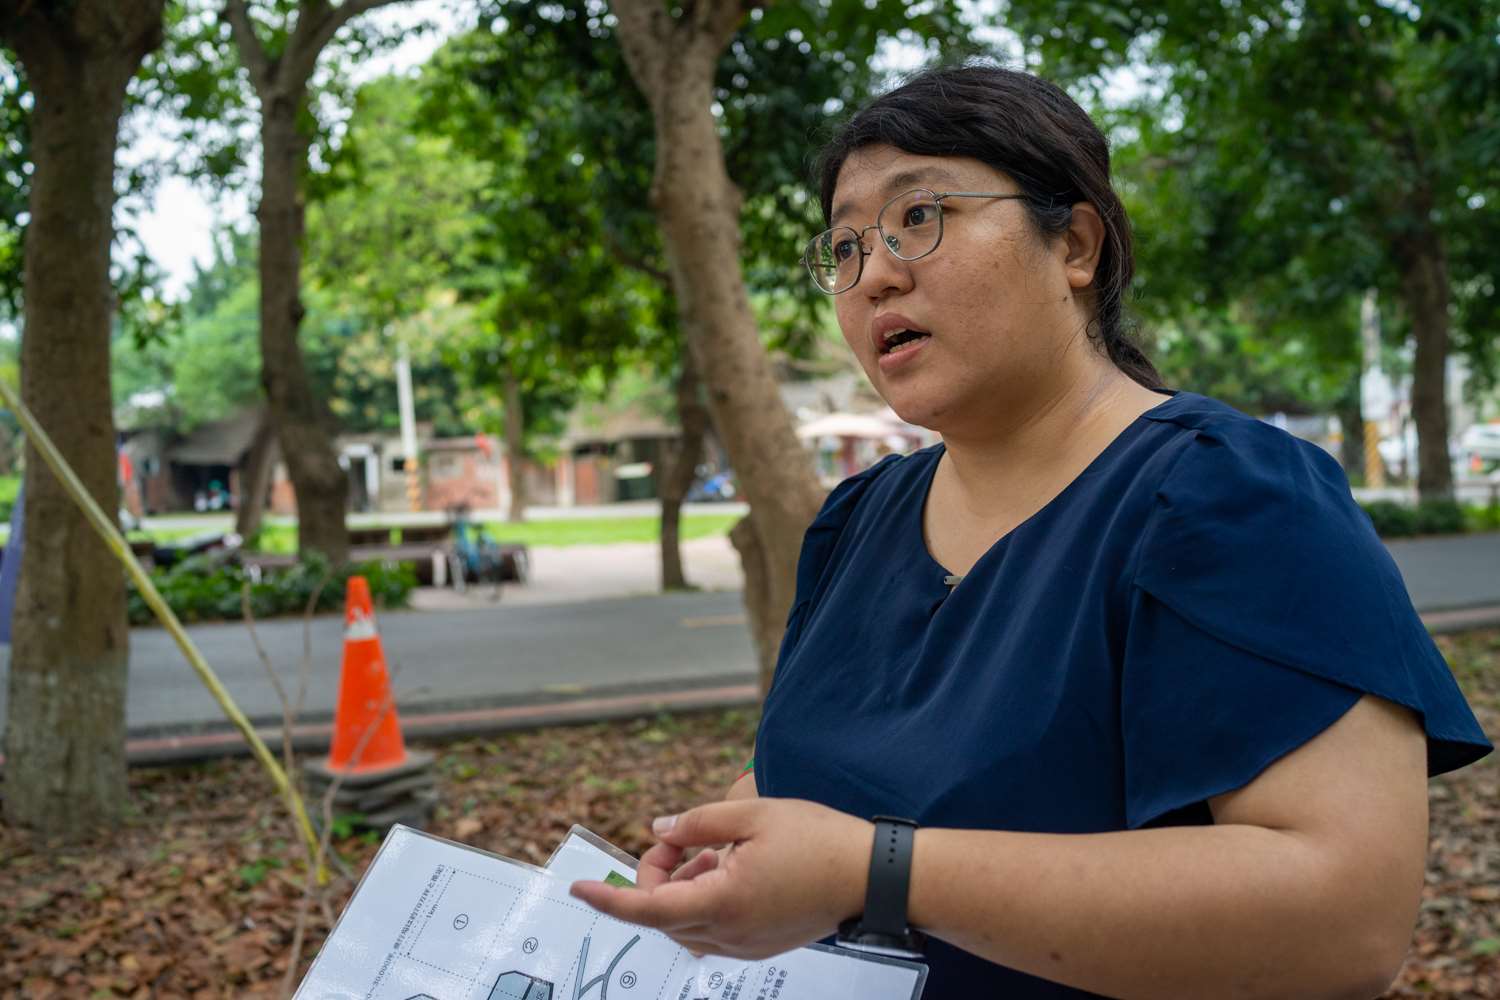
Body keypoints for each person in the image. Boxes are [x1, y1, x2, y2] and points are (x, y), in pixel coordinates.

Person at [570, 65, 1492, 998]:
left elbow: (1347, 922)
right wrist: (702, 863)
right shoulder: (860, 522)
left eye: (919, 217)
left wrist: (878, 873)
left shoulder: (1227, 496)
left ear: (1076, 244)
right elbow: (792, 787)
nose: (876, 273)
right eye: (844, 248)